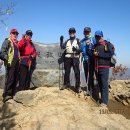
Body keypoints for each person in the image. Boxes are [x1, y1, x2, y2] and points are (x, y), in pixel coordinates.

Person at [93, 30, 114, 107]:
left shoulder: (107, 44)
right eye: (96, 37)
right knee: (100, 84)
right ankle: (102, 99)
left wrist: (99, 54)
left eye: (99, 36)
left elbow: (110, 54)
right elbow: (91, 55)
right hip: (97, 67)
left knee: (104, 84)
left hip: (105, 67)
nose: (97, 38)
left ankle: (105, 102)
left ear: (102, 36)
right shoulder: (95, 45)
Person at [0, 29, 20, 102]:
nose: (15, 35)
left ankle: (12, 93)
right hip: (10, 62)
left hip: (17, 62)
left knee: (15, 78)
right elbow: (2, 51)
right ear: (10, 34)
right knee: (10, 78)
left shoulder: (17, 43)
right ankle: (6, 95)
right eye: (14, 33)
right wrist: (5, 57)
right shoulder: (7, 41)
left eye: (16, 34)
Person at [60, 27, 81, 93]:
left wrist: (77, 50)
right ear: (69, 33)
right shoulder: (67, 41)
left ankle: (77, 86)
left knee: (77, 72)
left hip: (75, 57)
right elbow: (62, 47)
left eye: (73, 32)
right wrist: (61, 40)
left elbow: (81, 49)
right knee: (67, 72)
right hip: (67, 57)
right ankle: (66, 84)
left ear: (75, 33)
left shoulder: (78, 40)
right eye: (70, 32)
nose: (72, 33)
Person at [81, 27, 96, 96]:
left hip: (91, 60)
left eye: (88, 32)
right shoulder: (82, 40)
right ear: (83, 32)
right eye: (85, 32)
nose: (86, 33)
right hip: (85, 60)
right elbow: (81, 50)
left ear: (90, 32)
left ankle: (92, 90)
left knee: (91, 76)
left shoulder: (93, 39)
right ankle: (89, 89)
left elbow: (97, 47)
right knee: (86, 75)